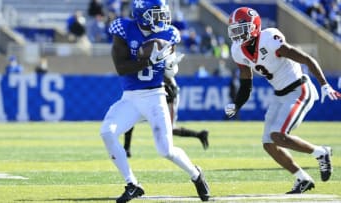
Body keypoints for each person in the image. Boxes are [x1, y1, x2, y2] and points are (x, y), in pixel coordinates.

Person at [100, 1, 210, 202]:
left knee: (166, 151)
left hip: (155, 96)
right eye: (155, 14)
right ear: (142, 14)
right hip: (131, 98)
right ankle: (132, 184)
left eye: (162, 14)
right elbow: (122, 68)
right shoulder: (123, 28)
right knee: (107, 132)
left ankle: (196, 174)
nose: (161, 19)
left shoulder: (170, 33)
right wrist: (149, 61)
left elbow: (168, 69)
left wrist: (170, 69)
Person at [224, 7, 340, 194]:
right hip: (280, 94)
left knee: (278, 135)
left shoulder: (269, 38)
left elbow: (306, 59)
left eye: (241, 29)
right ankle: (302, 178)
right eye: (235, 30)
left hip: (299, 89)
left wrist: (324, 84)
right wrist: (237, 104)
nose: (237, 35)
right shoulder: (238, 50)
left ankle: (321, 152)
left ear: (254, 26)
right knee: (269, 143)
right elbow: (246, 84)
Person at [123, 75, 209, 158]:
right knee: (130, 117)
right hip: (151, 93)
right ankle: (126, 149)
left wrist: (169, 88)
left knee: (170, 128)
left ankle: (199, 135)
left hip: (166, 94)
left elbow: (166, 72)